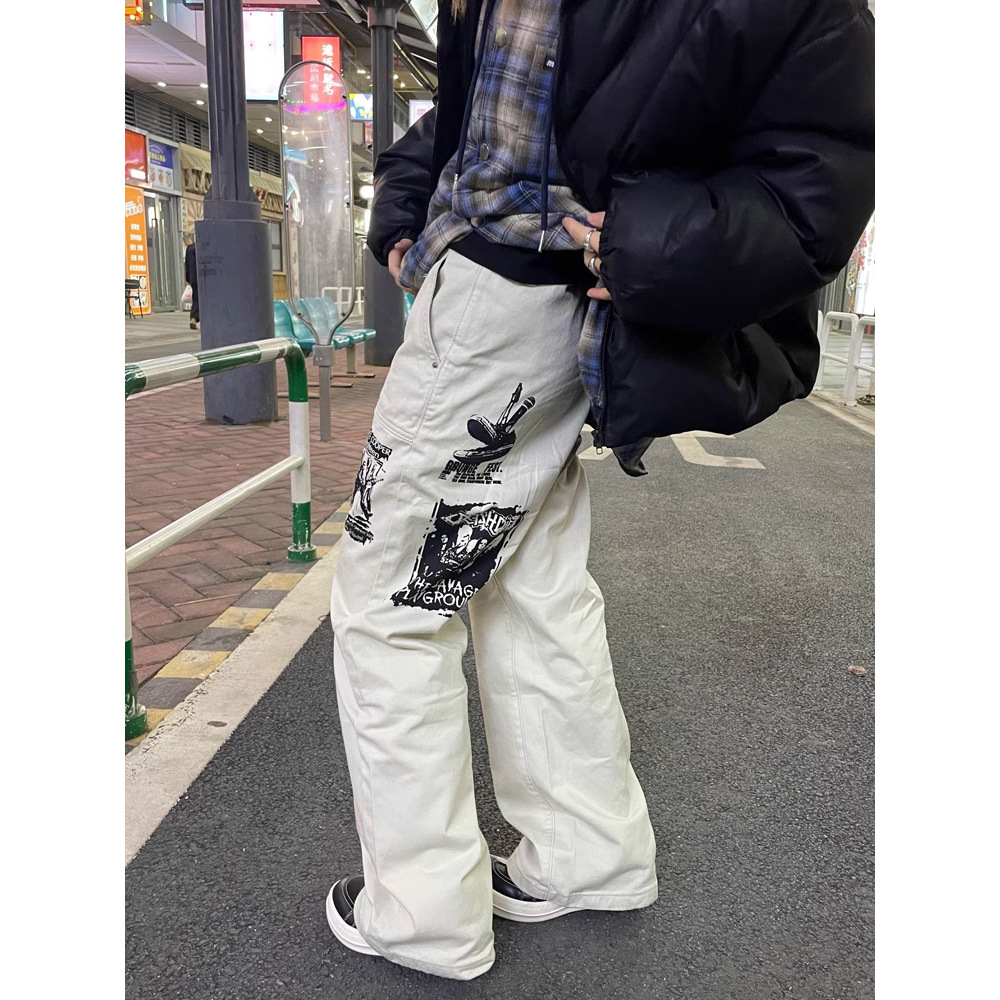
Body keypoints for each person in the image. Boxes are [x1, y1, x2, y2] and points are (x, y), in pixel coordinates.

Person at [326, 0, 875, 982]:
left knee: (391, 603)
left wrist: (635, 243)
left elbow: (812, 184)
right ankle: (587, 852)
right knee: (530, 582)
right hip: (569, 299)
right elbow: (503, 87)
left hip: (500, 301)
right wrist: (411, 200)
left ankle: (420, 913)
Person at [183, 235, 199, 331]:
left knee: (196, 298)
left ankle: (193, 317)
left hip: (194, 278)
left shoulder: (189, 249)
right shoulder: (202, 248)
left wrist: (188, 279)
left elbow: (187, 265)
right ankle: (195, 317)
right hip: (203, 277)